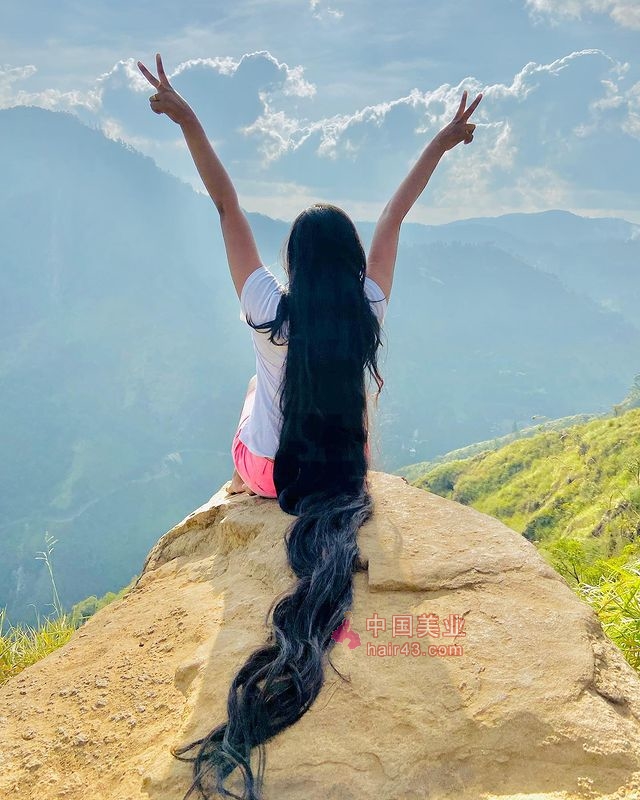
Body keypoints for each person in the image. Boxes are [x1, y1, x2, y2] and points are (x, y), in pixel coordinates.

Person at [138, 53, 482, 800]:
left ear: (293, 260)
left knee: (255, 388)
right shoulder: (368, 307)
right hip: (342, 473)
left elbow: (226, 206)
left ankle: (242, 481)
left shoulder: (269, 311)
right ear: (351, 262)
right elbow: (395, 216)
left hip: (272, 477)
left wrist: (187, 118)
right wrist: (443, 140)